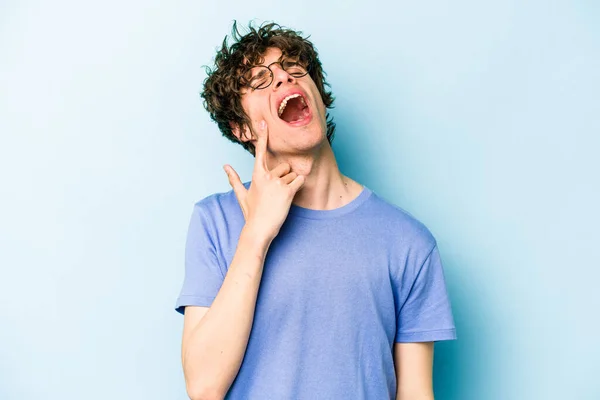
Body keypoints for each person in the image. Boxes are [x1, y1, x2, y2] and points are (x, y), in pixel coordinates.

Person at [175, 21, 457, 400]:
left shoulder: (408, 242)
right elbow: (204, 387)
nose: (283, 79)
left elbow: (416, 393)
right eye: (260, 80)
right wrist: (256, 235)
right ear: (242, 128)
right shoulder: (216, 221)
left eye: (293, 67)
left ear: (319, 96)